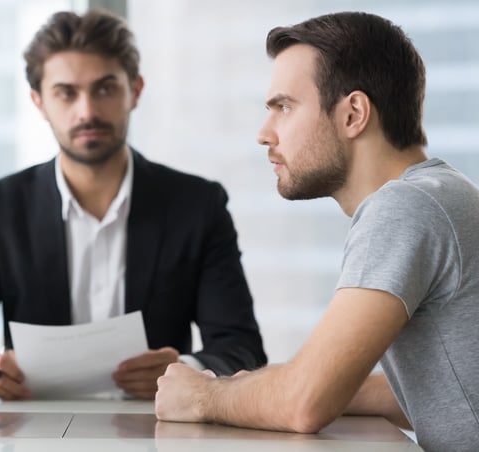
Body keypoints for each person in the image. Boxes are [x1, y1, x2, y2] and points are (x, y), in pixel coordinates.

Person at [154, 11, 479, 451]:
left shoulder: (404, 207)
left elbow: (303, 406)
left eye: (284, 107)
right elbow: (445, 389)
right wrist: (274, 386)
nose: (264, 134)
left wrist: (202, 395)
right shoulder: (445, 192)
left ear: (353, 115)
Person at [0, 9, 266, 402]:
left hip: (158, 431)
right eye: (66, 93)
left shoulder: (198, 206)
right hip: (34, 434)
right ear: (38, 102)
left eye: (105, 89)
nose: (87, 112)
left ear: (135, 91)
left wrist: (187, 372)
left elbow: (242, 348)